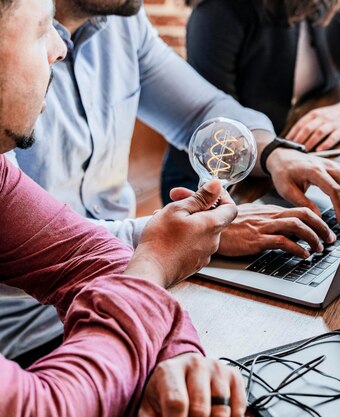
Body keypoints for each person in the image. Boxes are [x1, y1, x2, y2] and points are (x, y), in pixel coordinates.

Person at [2, 0, 340, 361]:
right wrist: (172, 237)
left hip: (138, 275)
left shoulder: (123, 24)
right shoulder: (11, 62)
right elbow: (34, 242)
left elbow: (202, 110)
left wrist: (274, 153)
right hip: (33, 332)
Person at [0, 0, 245, 414]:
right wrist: (153, 261)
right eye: (42, 29)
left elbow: (90, 257)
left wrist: (175, 360)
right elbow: (43, 406)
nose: (60, 50)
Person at [161, 0, 340, 200]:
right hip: (216, 177)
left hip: (299, 156)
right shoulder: (219, 8)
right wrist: (277, 156)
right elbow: (216, 125)